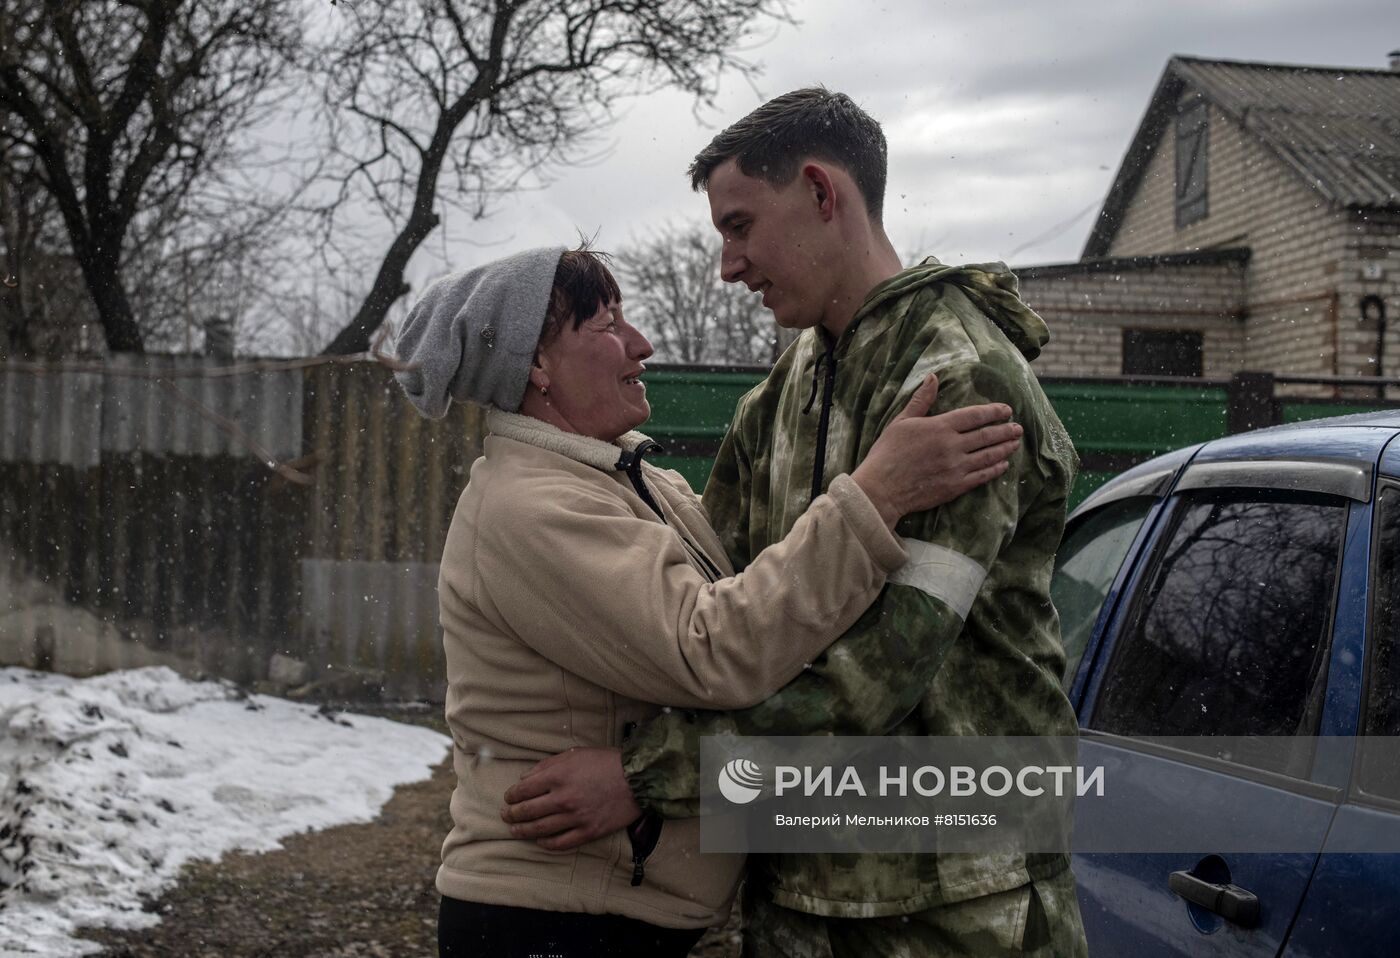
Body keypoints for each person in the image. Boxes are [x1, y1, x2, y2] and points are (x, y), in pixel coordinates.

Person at [500, 90, 1091, 956]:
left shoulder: (958, 382)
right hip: (794, 896)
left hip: (959, 906)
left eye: (739, 227)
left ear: (821, 191)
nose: (729, 266)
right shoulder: (778, 401)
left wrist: (645, 775)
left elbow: (884, 668)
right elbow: (721, 624)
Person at [392, 244, 1024, 957]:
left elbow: (761, 590)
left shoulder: (631, 482)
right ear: (535, 365)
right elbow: (714, 648)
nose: (642, 343)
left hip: (602, 911)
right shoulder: (532, 508)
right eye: (607, 327)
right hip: (556, 919)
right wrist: (878, 493)